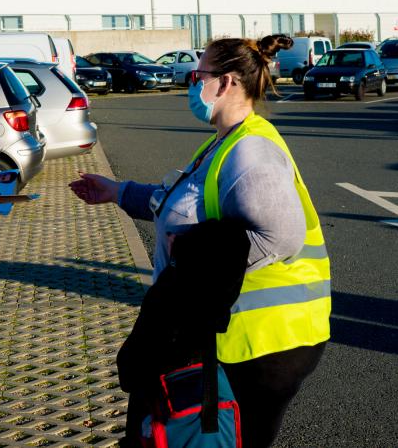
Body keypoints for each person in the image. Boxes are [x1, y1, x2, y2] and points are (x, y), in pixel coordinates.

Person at [69, 34, 331, 448]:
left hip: (265, 342)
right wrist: (117, 192)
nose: (192, 84)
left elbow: (282, 237)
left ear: (225, 83)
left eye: (198, 75)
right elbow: (180, 203)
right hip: (235, 334)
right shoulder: (225, 142)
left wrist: (193, 259)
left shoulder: (251, 152)